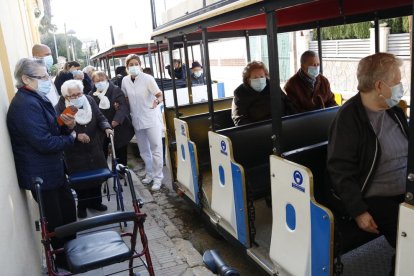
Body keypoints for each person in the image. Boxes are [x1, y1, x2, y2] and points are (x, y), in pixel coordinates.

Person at [326, 53, 408, 273]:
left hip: (405, 187)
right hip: (375, 196)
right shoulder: (349, 118)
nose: (401, 87)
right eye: (398, 82)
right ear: (380, 85)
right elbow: (339, 169)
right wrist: (358, 211)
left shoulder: (394, 112)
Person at [7, 58, 77, 269]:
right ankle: (64, 262)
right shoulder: (25, 105)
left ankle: (73, 254)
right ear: (26, 79)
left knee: (67, 215)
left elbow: (50, 128)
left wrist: (65, 125)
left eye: (48, 75)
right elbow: (43, 142)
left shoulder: (37, 97)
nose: (48, 80)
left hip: (53, 172)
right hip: (42, 176)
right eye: (43, 76)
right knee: (56, 223)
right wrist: (70, 137)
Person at [56, 79, 113, 219]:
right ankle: (82, 206)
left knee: (97, 176)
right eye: (72, 95)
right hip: (74, 151)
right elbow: (58, 128)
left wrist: (107, 127)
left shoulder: (89, 100)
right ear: (65, 96)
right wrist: (75, 135)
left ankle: (96, 202)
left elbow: (100, 117)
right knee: (80, 181)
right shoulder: (60, 107)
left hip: (94, 146)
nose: (77, 97)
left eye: (79, 93)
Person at [122, 54, 164, 191]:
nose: (133, 67)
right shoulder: (125, 80)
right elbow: (126, 98)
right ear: (127, 67)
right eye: (131, 65)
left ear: (140, 65)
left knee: (156, 148)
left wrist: (156, 101)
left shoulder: (148, 78)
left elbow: (160, 95)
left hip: (151, 117)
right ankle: (150, 174)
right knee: (144, 150)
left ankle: (158, 178)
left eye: (136, 64)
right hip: (137, 119)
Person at [90, 71, 134, 166]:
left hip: (118, 126)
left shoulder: (115, 90)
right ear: (93, 82)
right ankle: (104, 173)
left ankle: (120, 172)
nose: (100, 82)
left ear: (107, 79)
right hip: (101, 128)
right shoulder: (91, 95)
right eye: (97, 81)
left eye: (102, 80)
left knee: (120, 151)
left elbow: (123, 106)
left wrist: (116, 120)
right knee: (102, 151)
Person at [231, 61, 292, 126]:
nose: (260, 80)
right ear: (248, 80)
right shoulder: (240, 93)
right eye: (255, 77)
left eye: (262, 76)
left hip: (283, 125)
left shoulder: (273, 86)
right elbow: (239, 119)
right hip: (258, 131)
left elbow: (288, 103)